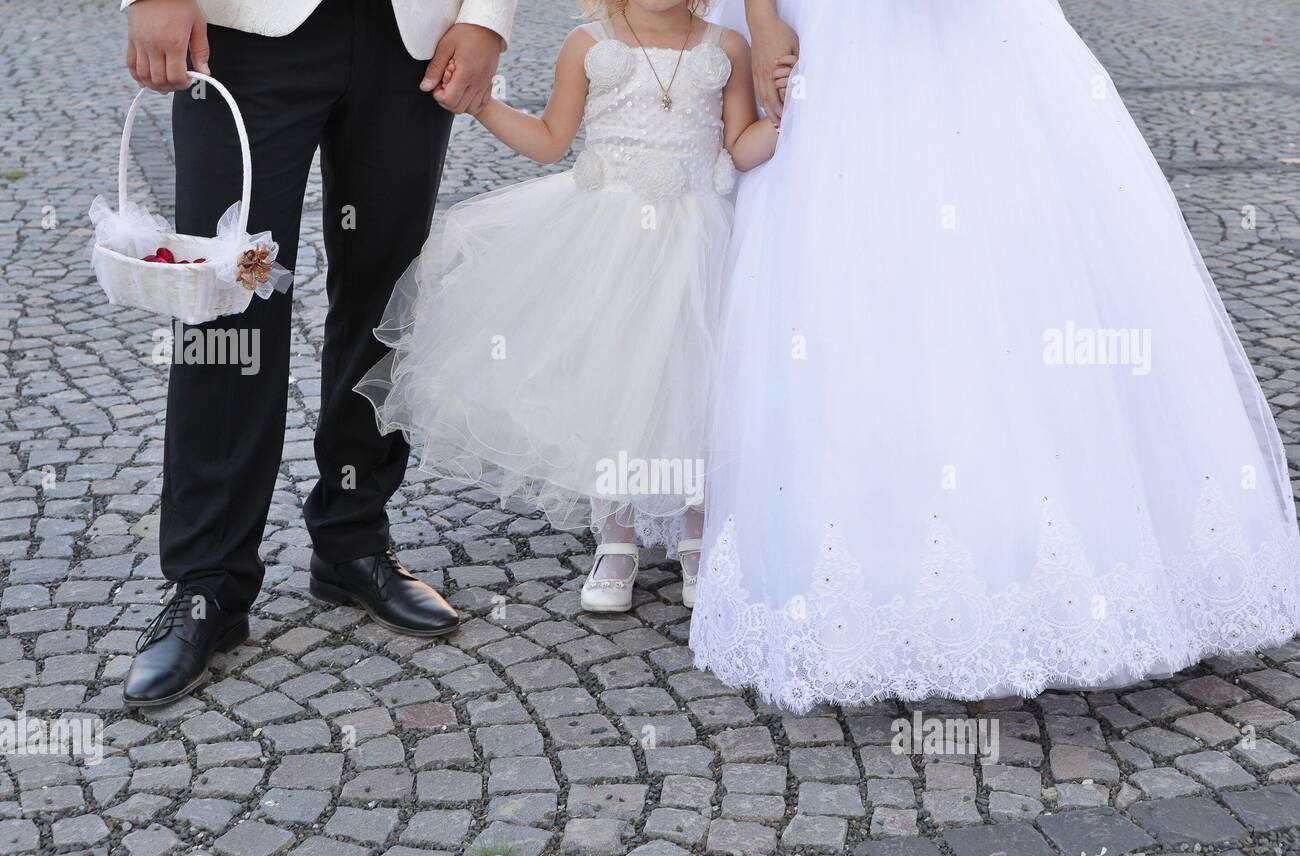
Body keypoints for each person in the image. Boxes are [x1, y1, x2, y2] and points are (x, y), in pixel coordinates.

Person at [691, 0, 1300, 712]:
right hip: (835, 37)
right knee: (845, 261)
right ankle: (864, 578)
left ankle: (1046, 568)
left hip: (982, 36)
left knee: (1017, 254)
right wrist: (762, 20)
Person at [118, 0, 516, 707]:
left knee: (386, 293)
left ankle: (353, 535)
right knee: (227, 303)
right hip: (243, 33)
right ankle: (209, 580)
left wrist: (487, 17)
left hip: (409, 37)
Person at [356, 0, 778, 616]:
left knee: (693, 383)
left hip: (695, 241)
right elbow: (552, 140)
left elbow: (739, 145)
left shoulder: (725, 49)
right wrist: (484, 105)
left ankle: (697, 536)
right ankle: (616, 541)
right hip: (608, 243)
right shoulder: (587, 43)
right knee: (613, 383)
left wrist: (785, 117)